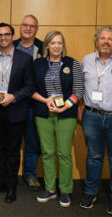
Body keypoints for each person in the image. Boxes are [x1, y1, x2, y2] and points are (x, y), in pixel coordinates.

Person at [80, 26, 112, 215]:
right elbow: (80, 88)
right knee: (93, 157)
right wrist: (80, 110)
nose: (106, 42)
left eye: (110, 39)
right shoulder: (86, 60)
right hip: (91, 116)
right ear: (96, 41)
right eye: (103, 38)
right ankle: (90, 192)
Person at [31, 31, 83, 208]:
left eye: (60, 43)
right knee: (47, 152)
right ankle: (50, 189)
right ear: (46, 46)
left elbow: (78, 92)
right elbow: (30, 88)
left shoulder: (72, 63)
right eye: (52, 43)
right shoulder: (37, 64)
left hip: (66, 114)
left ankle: (66, 190)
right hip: (43, 113)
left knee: (64, 153)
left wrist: (64, 106)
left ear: (63, 45)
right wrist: (45, 100)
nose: (56, 46)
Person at [0, 23, 35, 203]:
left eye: (6, 34)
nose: (3, 38)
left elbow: (30, 86)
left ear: (13, 36)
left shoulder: (24, 58)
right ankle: (0, 183)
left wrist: (13, 97)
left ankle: (12, 187)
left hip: (15, 111)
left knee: (13, 151)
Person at [13, 15, 43, 191]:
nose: (28, 28)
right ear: (20, 27)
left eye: (32, 26)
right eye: (25, 25)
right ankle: (11, 174)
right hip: (14, 101)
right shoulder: (11, 45)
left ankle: (30, 174)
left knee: (32, 140)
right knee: (13, 141)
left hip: (35, 102)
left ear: (36, 29)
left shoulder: (43, 47)